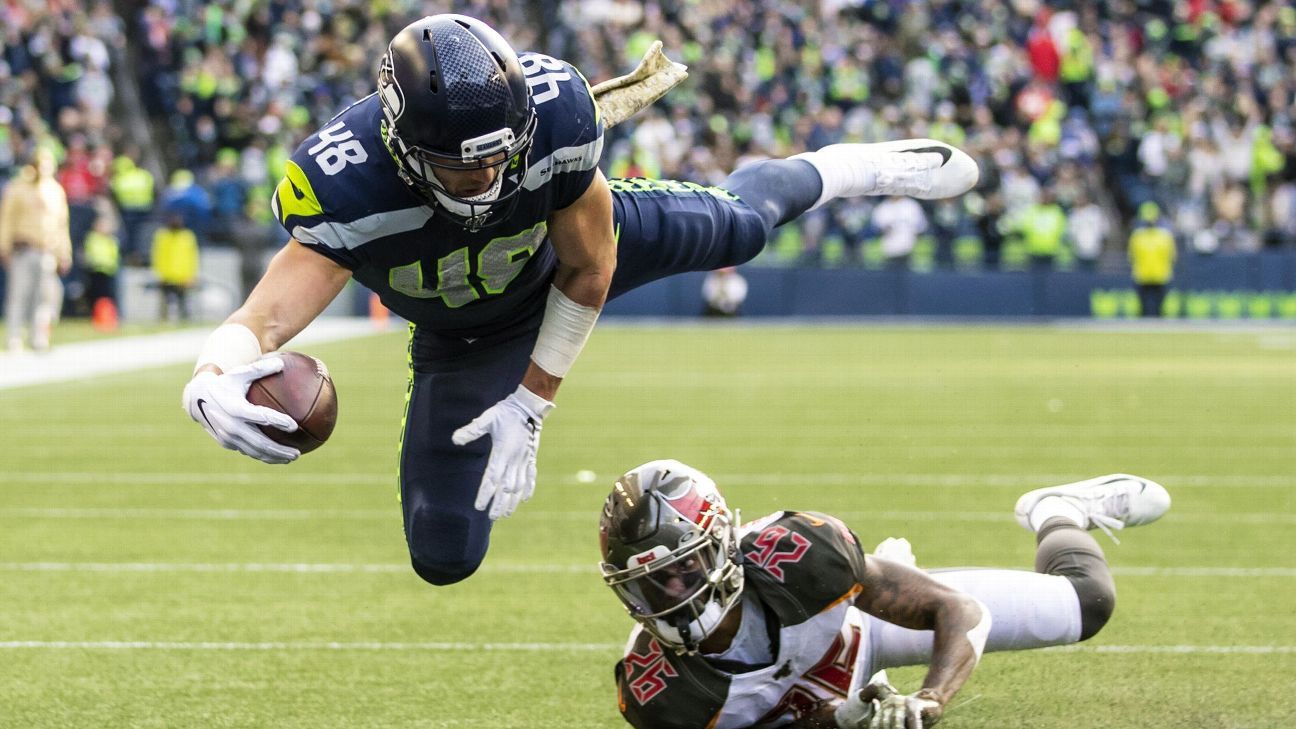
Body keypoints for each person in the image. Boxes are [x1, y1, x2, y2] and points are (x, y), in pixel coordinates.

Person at [181, 14, 979, 587]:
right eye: (462, 167)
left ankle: (847, 166)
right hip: (465, 337)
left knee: (740, 228)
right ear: (400, 142)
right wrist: (215, 370)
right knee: (443, 554)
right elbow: (267, 313)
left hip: (571, 251)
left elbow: (589, 269)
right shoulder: (344, 186)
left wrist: (533, 403)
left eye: (500, 156)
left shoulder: (555, 117)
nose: (486, 178)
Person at [601, 460, 1171, 728]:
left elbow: (959, 611)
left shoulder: (797, 556)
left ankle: (1059, 512)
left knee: (1086, 604)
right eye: (648, 583)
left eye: (685, 567)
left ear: (722, 543)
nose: (671, 593)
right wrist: (846, 717)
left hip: (860, 623)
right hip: (829, 685)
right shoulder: (660, 694)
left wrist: (930, 699)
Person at [1, 148, 72, 353]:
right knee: (18, 295)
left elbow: (61, 224)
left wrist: (64, 252)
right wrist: (4, 246)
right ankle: (14, 337)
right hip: (23, 248)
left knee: (43, 297)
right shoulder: (18, 188)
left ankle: (38, 337)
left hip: (46, 250)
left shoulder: (55, 190)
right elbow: (7, 219)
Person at [1128, 201, 1177, 318]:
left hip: (1159, 275)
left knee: (1161, 308)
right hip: (1143, 275)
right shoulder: (1138, 235)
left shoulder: (1164, 235)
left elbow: (1172, 255)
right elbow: (1131, 256)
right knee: (1142, 307)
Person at [151, 209, 200, 322]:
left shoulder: (187, 236)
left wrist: (191, 275)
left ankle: (184, 321)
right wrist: (159, 274)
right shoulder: (162, 236)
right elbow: (157, 256)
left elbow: (193, 258)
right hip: (166, 276)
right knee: (164, 304)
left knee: (183, 303)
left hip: (182, 277)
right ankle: (163, 321)